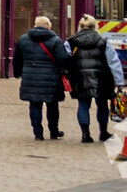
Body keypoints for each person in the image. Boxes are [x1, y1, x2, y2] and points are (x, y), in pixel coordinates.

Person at [13, 15, 74, 142]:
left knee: (35, 105)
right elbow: (63, 60)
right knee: (52, 106)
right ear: (49, 26)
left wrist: (18, 73)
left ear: (34, 25)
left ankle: (38, 133)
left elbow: (17, 59)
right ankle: (53, 131)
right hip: (51, 78)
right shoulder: (56, 40)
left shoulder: (23, 39)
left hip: (30, 77)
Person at [68, 15, 117, 144]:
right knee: (102, 105)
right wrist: (119, 81)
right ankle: (103, 132)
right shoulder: (103, 41)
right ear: (95, 26)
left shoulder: (71, 41)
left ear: (79, 26)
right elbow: (113, 62)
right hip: (102, 77)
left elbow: (65, 59)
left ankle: (86, 134)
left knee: (83, 105)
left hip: (80, 78)